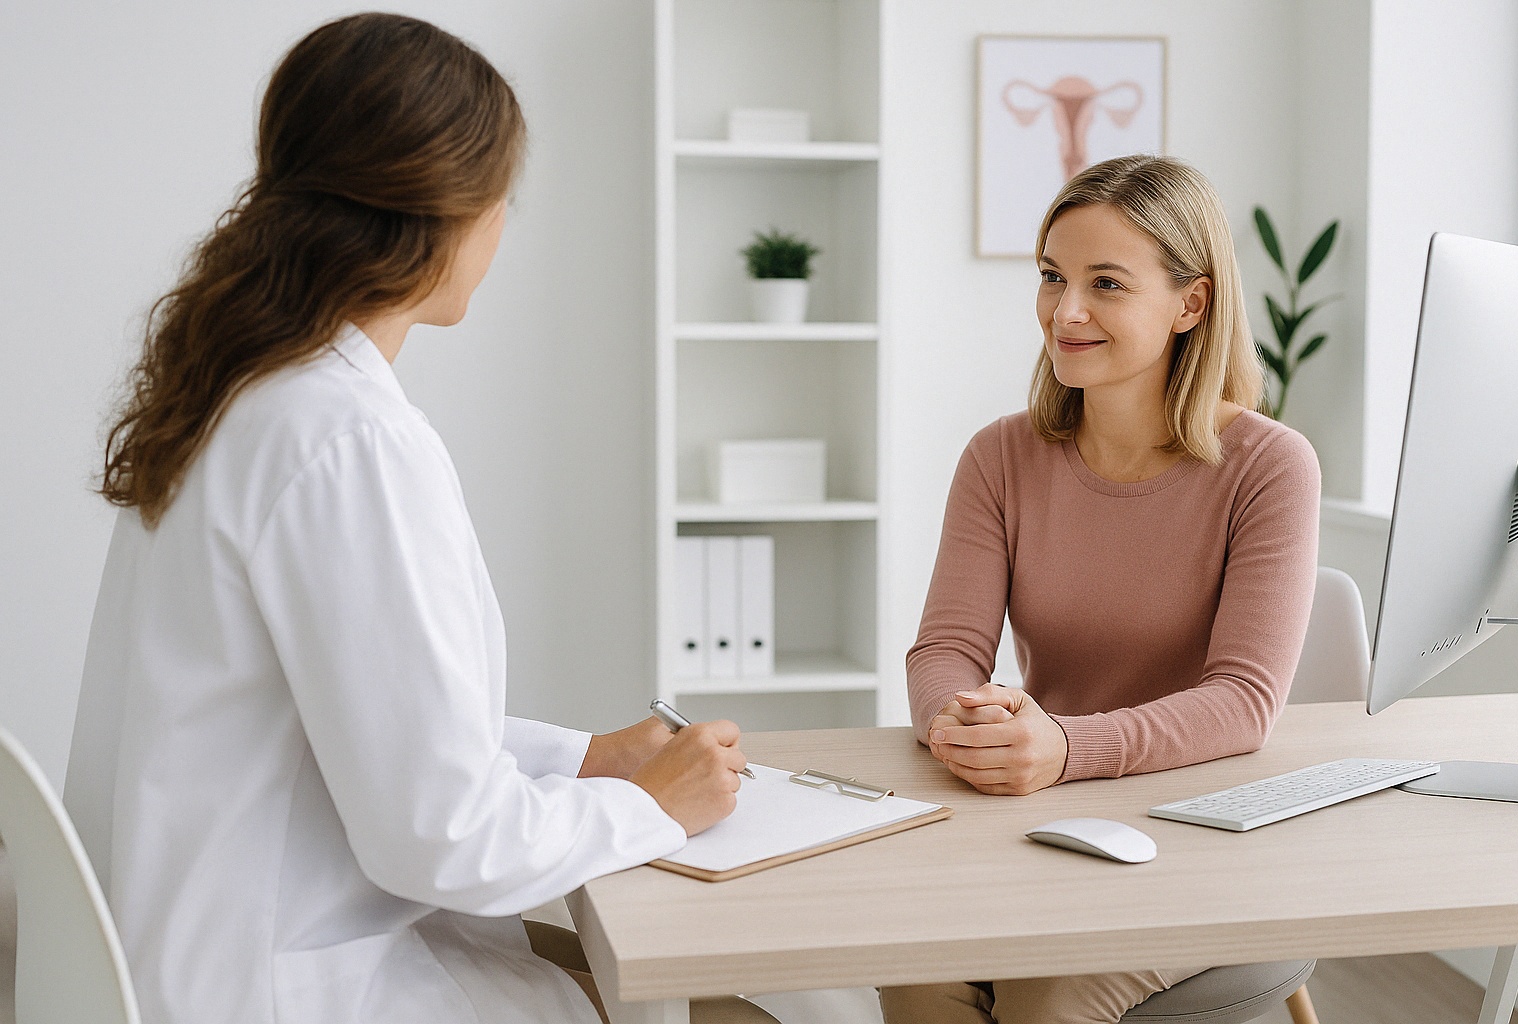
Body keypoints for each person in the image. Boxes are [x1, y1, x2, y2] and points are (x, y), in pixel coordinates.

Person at [64, 14, 776, 1024]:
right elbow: (438, 835)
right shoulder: (348, 441)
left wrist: (583, 760)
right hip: (266, 988)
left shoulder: (239, 392)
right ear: (444, 210)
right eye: (502, 199)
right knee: (728, 1013)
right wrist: (650, 806)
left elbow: (349, 719)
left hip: (183, 951)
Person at [879, 155, 1321, 1024]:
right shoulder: (1000, 456)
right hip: (1044, 827)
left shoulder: (1270, 466)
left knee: (1051, 991)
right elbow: (947, 649)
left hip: (1205, 832)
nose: (1064, 311)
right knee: (915, 968)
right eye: (1052, 276)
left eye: (1106, 284)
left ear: (1190, 304)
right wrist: (957, 719)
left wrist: (1066, 748)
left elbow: (1243, 702)